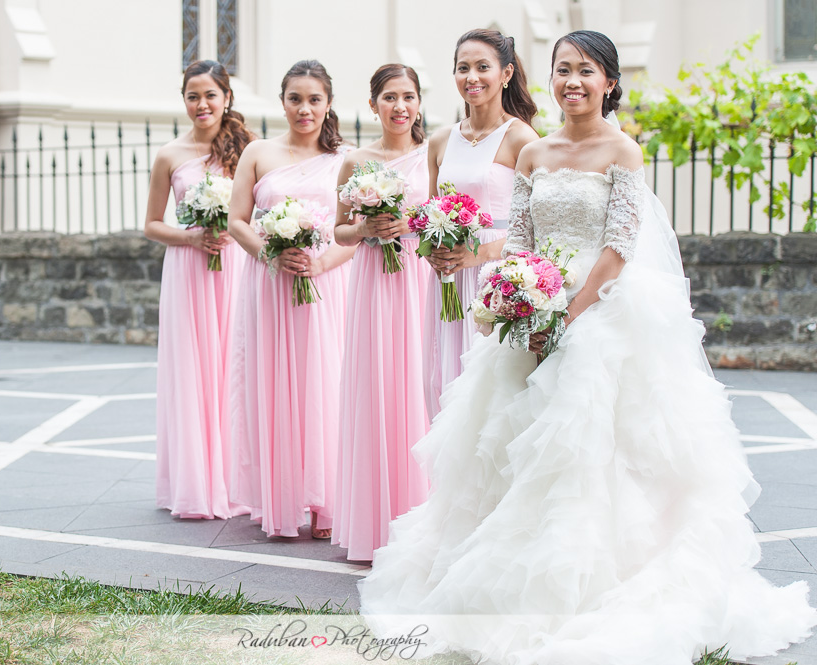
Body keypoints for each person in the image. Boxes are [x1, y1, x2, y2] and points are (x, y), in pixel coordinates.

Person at [359, 30, 816, 664]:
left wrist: (566, 317)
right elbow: (519, 237)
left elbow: (619, 248)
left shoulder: (622, 150)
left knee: (589, 447)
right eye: (563, 70)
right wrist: (512, 298)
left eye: (587, 71)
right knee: (502, 445)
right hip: (530, 307)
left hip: (599, 313)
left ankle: (595, 581)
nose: (573, 81)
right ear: (548, 79)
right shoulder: (534, 154)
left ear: (608, 82)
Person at [226, 60, 354, 539]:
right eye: (295, 99)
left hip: (325, 287)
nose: (304, 108)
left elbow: (354, 233)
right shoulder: (258, 152)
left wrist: (322, 263)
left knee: (325, 385)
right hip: (270, 285)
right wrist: (268, 255)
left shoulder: (346, 158)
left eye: (314, 99)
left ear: (328, 103)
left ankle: (326, 505)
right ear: (282, 102)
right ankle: (280, 500)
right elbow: (238, 219)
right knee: (274, 386)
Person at [143, 61, 253, 520]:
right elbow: (150, 225)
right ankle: (194, 483)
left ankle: (239, 482)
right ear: (184, 101)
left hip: (236, 265)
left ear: (226, 97)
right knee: (193, 369)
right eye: (193, 96)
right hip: (189, 271)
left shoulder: (248, 149)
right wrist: (191, 236)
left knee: (236, 366)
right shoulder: (170, 155)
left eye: (210, 95)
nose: (202, 104)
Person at [333, 64, 433, 561]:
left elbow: (444, 211)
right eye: (389, 98)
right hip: (373, 281)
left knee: (419, 383)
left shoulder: (434, 154)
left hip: (419, 276)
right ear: (373, 105)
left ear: (419, 102)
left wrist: (408, 222)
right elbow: (338, 231)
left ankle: (423, 516)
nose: (400, 107)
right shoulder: (356, 160)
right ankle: (373, 522)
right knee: (378, 386)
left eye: (408, 97)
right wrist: (368, 228)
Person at [423, 29, 539, 419]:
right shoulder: (440, 141)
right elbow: (430, 212)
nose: (471, 77)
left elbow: (536, 225)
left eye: (482, 67)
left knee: (489, 395)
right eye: (463, 68)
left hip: (495, 276)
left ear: (506, 74)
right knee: (443, 385)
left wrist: (479, 253)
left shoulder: (521, 137)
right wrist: (434, 251)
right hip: (447, 282)